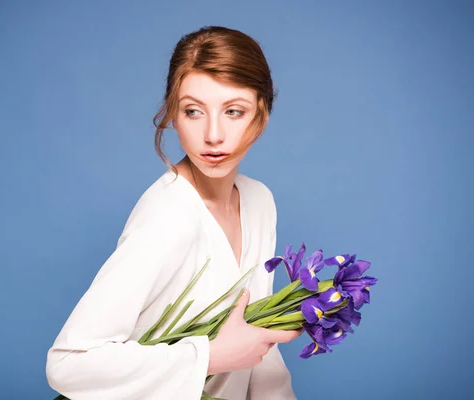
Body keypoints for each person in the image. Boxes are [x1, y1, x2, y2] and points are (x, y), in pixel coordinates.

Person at [46, 26, 302, 400]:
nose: (213, 135)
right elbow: (68, 363)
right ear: (172, 114)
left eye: (234, 111)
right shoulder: (169, 216)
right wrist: (210, 357)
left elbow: (256, 346)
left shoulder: (259, 201)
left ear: (260, 115)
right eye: (193, 111)